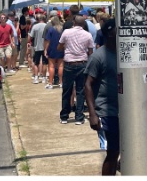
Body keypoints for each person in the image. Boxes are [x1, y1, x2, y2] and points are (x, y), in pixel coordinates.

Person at [85, 19, 119, 175]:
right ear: (110, 34)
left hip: (123, 111)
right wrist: (92, 114)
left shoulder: (123, 53)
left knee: (121, 152)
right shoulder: (98, 56)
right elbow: (88, 85)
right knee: (112, 153)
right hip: (106, 111)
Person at [57, 16, 94, 125]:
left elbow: (59, 47)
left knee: (67, 91)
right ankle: (79, 117)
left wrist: (68, 47)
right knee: (80, 91)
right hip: (82, 63)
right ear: (84, 24)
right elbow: (91, 51)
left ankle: (64, 116)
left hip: (69, 63)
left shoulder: (66, 32)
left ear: (74, 22)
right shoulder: (88, 35)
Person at [43, 16, 64, 89]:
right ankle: (61, 82)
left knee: (51, 66)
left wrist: (45, 49)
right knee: (61, 66)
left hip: (52, 49)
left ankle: (50, 83)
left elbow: (47, 41)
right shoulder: (62, 29)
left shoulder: (51, 29)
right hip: (61, 49)